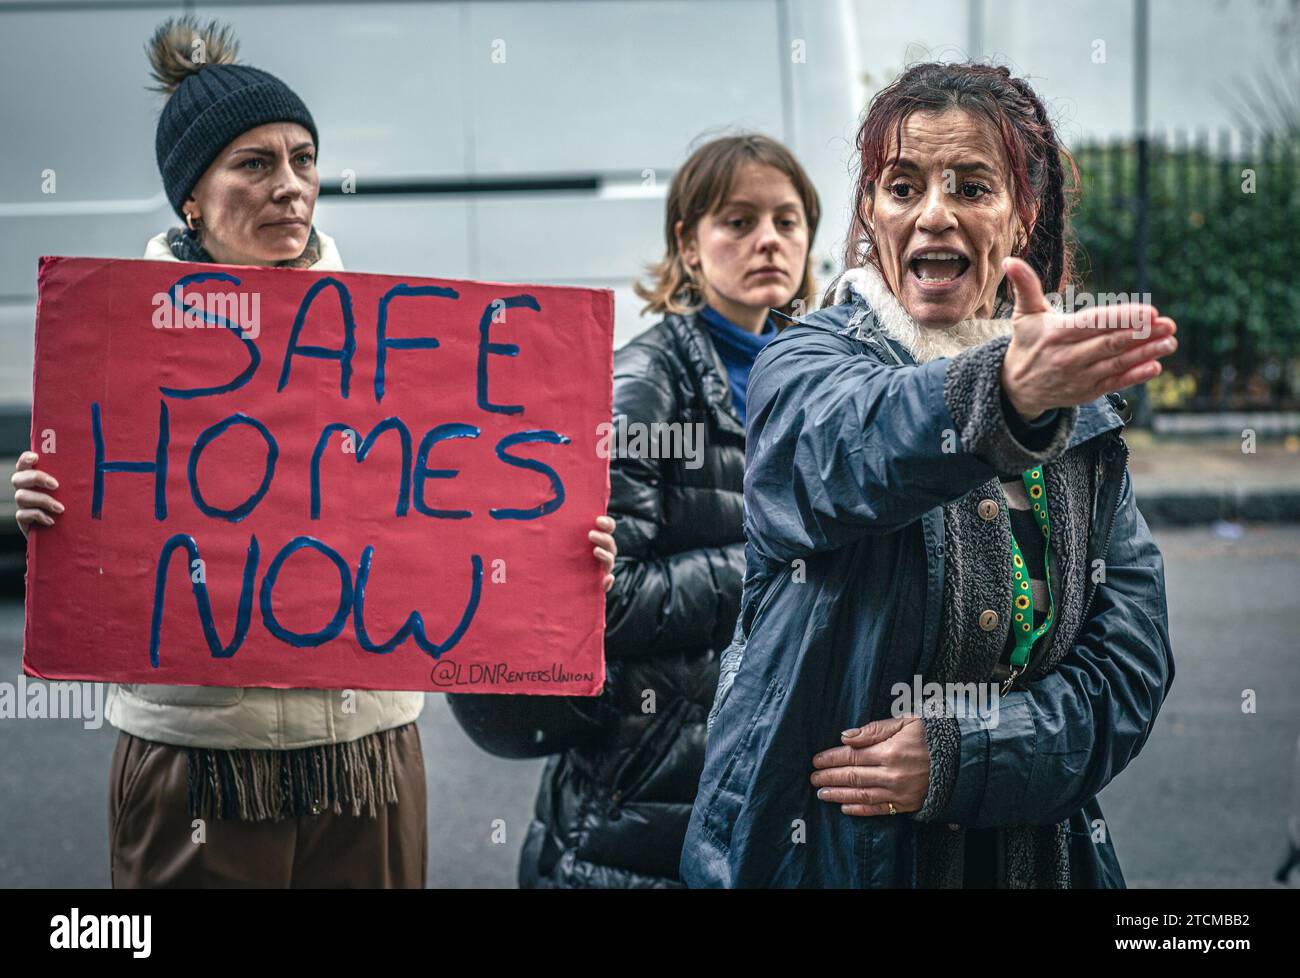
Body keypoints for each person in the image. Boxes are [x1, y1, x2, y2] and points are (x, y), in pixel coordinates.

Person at [10, 16, 616, 888]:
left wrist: (562, 546)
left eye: (303, 158)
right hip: (200, 759)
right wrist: (50, 506)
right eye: (254, 164)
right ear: (190, 196)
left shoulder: (396, 350)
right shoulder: (114, 358)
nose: (291, 186)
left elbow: (469, 509)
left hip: (364, 752)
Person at [682, 62, 1178, 888]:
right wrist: (1005, 398)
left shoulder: (1082, 417)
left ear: (1022, 219)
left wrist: (962, 756)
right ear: (871, 216)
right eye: (902, 186)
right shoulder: (802, 361)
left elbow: (1129, 670)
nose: (933, 212)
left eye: (972, 186)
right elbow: (849, 451)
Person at [447, 133, 821, 886]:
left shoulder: (823, 373)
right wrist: (774, 567)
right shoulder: (646, 383)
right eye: (738, 222)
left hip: (770, 787)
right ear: (687, 245)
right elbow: (607, 597)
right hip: (640, 802)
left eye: (787, 220)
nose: (768, 241)